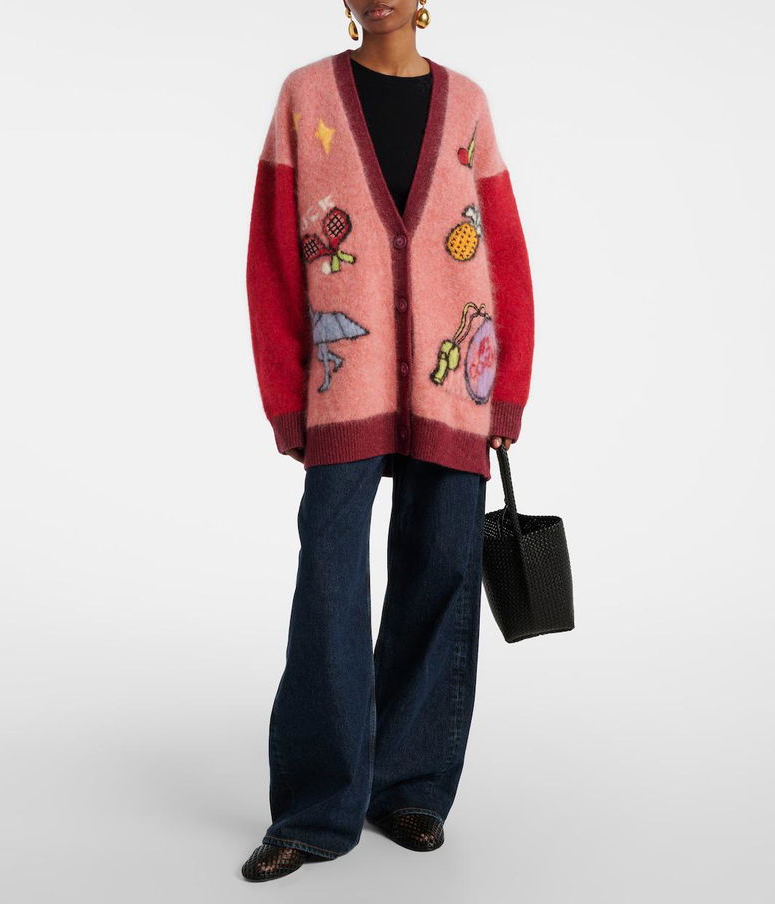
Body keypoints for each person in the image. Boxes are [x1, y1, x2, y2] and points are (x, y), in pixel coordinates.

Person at [242, 0, 535, 882]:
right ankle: (313, 811)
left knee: (441, 574)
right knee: (330, 583)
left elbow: (503, 250)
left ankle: (410, 785)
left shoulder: (469, 104)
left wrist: (508, 390)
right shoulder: (305, 97)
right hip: (344, 387)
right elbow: (271, 255)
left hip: (457, 384)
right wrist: (285, 393)